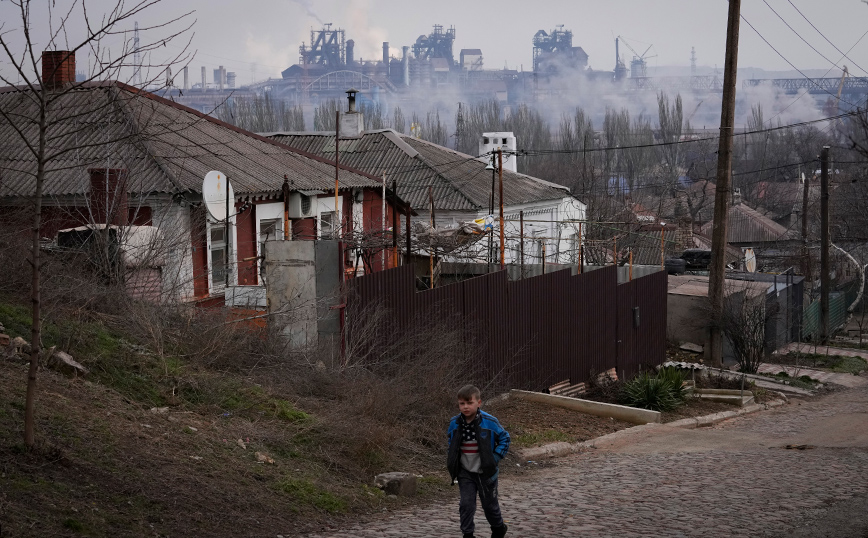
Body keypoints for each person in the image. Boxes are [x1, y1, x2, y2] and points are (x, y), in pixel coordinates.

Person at [447, 385, 510, 538]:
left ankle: (498, 528)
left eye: (469, 403)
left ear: (479, 403)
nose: (466, 407)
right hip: (465, 472)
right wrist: (453, 460)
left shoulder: (490, 422)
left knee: (490, 506)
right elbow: (451, 442)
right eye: (462, 403)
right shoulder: (455, 423)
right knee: (466, 504)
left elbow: (505, 438)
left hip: (486, 473)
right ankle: (468, 534)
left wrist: (494, 458)